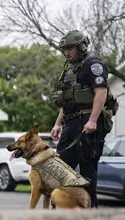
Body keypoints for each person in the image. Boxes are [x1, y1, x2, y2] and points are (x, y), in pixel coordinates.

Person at [50, 30, 119, 208]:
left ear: (81, 46)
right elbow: (67, 102)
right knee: (62, 167)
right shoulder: (69, 69)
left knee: (87, 171)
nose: (67, 52)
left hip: (88, 123)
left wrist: (93, 120)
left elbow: (101, 92)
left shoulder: (93, 65)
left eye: (70, 48)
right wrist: (57, 124)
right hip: (70, 123)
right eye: (64, 49)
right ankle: (63, 207)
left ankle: (89, 209)